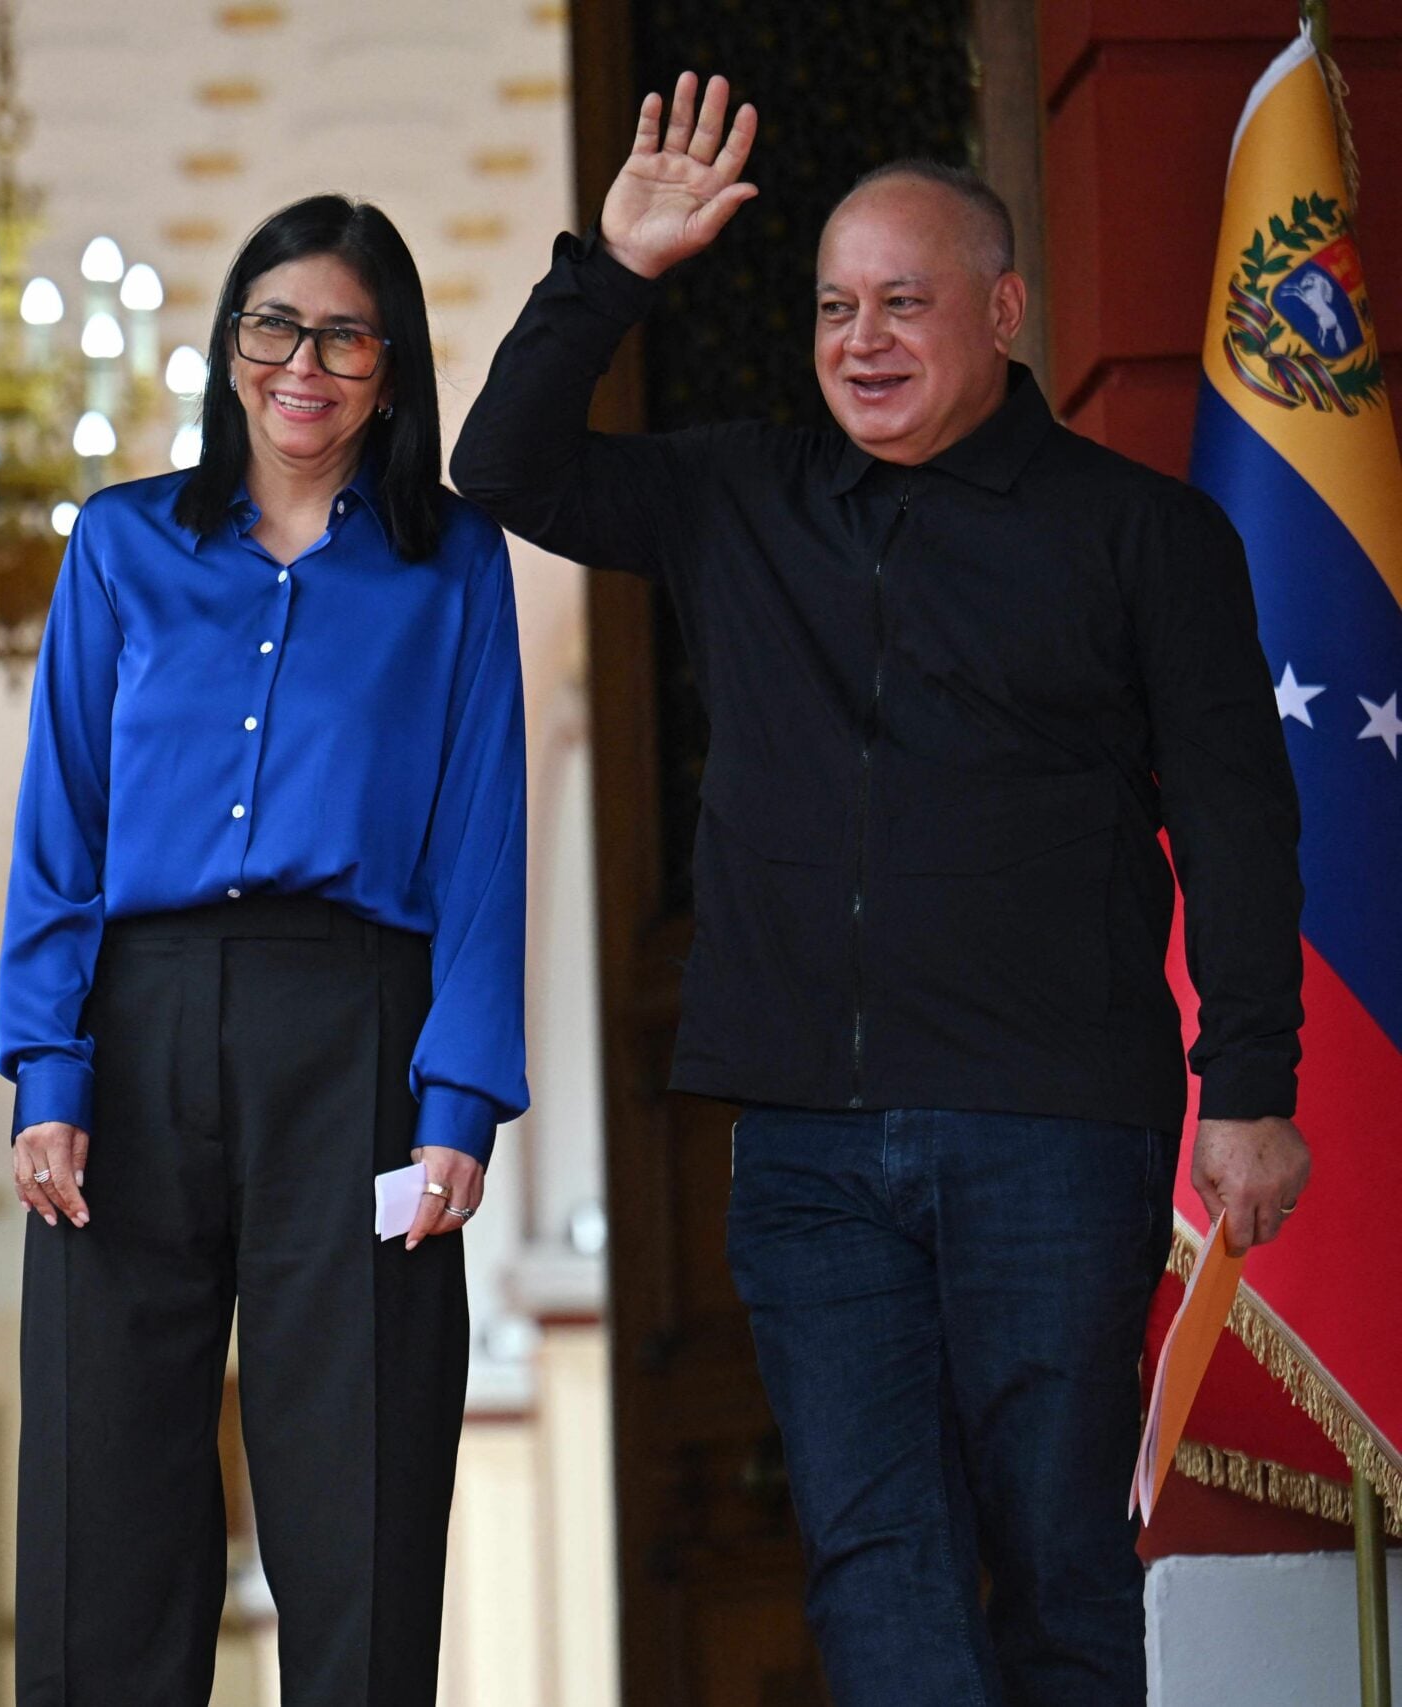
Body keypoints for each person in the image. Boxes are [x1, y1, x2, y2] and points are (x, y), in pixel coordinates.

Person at [452, 73, 1311, 1706]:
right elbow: (504, 469)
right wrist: (614, 273)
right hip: (807, 1142)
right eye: (835, 308)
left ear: (1004, 312)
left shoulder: (1147, 536)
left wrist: (1251, 1086)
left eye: (904, 303)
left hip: (1052, 1128)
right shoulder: (742, 494)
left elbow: (1237, 818)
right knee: (872, 1558)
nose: (862, 341)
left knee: (1061, 1564)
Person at [0, 194, 530, 1706]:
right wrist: (48, 1068)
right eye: (275, 326)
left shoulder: (452, 562)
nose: (305, 364)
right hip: (136, 1031)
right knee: (104, 1491)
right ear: (231, 347)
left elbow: (483, 831)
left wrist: (458, 1101)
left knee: (359, 1492)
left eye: (346, 336)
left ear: (392, 367)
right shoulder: (122, 544)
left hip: (357, 1034)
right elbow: (62, 823)